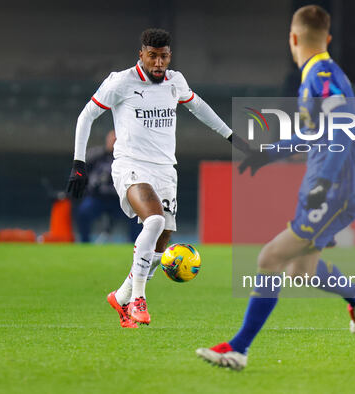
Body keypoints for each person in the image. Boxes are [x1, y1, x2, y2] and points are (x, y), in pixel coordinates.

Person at [196, 5, 355, 370]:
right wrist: (269, 154)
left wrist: (323, 184)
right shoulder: (321, 74)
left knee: (269, 258)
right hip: (335, 186)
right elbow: (315, 134)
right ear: (325, 38)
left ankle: (238, 348)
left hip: (333, 188)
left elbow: (339, 131)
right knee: (300, 271)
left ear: (293, 39)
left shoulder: (321, 77)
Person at [67, 28, 248, 328]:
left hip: (165, 170)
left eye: (163, 56)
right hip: (131, 166)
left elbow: (200, 107)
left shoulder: (175, 81)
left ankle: (121, 295)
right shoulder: (120, 82)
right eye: (152, 56)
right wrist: (78, 162)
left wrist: (231, 137)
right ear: (141, 54)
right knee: (154, 221)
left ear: (169, 56)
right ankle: (139, 298)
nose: (158, 63)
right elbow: (86, 115)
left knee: (161, 243)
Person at [75, 130, 141, 243]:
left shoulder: (129, 158)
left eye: (117, 140)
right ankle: (84, 242)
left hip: (121, 200)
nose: (115, 143)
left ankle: (135, 244)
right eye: (113, 140)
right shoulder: (96, 156)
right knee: (83, 211)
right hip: (98, 198)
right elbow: (82, 171)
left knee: (137, 214)